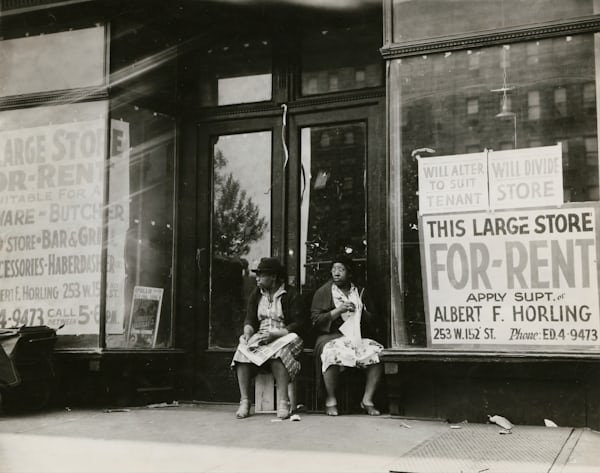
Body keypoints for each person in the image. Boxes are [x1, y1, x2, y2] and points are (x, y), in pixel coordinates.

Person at [231, 257, 305, 419]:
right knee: (241, 352)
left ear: (274, 276)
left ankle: (284, 401)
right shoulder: (257, 295)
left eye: (261, 275)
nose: (257, 279)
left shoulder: (290, 294)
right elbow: (250, 318)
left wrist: (277, 334)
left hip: (287, 335)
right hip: (263, 335)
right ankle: (244, 401)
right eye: (257, 275)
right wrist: (247, 333)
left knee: (278, 352)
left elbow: (299, 323)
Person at [311, 255, 384, 416]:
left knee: (377, 352)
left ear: (349, 273)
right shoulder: (323, 292)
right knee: (331, 354)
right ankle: (330, 399)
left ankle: (367, 400)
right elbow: (315, 321)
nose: (337, 273)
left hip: (356, 336)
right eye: (334, 269)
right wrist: (338, 311)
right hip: (332, 337)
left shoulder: (359, 291)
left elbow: (374, 319)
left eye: (341, 269)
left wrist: (361, 311)